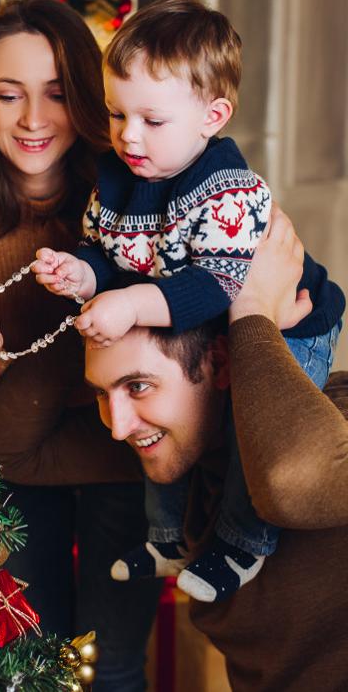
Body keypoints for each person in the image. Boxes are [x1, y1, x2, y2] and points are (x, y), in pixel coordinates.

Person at [34, 0, 344, 601]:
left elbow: (215, 287)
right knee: (162, 421)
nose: (129, 136)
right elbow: (110, 254)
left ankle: (241, 546)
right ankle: (168, 539)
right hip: (204, 331)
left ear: (213, 115)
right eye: (118, 115)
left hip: (288, 326)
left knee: (252, 432)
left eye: (152, 120)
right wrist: (83, 274)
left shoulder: (228, 190)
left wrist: (129, 305)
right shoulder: (120, 180)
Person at [0, 0, 162, 691]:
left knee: (112, 666)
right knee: (25, 669)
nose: (33, 120)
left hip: (126, 467)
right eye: (10, 94)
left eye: (58, 95)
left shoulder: (133, 201)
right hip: (6, 481)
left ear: (88, 101)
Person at [84, 205, 348, 691]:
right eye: (103, 393)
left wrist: (252, 312)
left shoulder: (334, 424)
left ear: (222, 365)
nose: (117, 427)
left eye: (138, 386)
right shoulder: (191, 484)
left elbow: (288, 484)